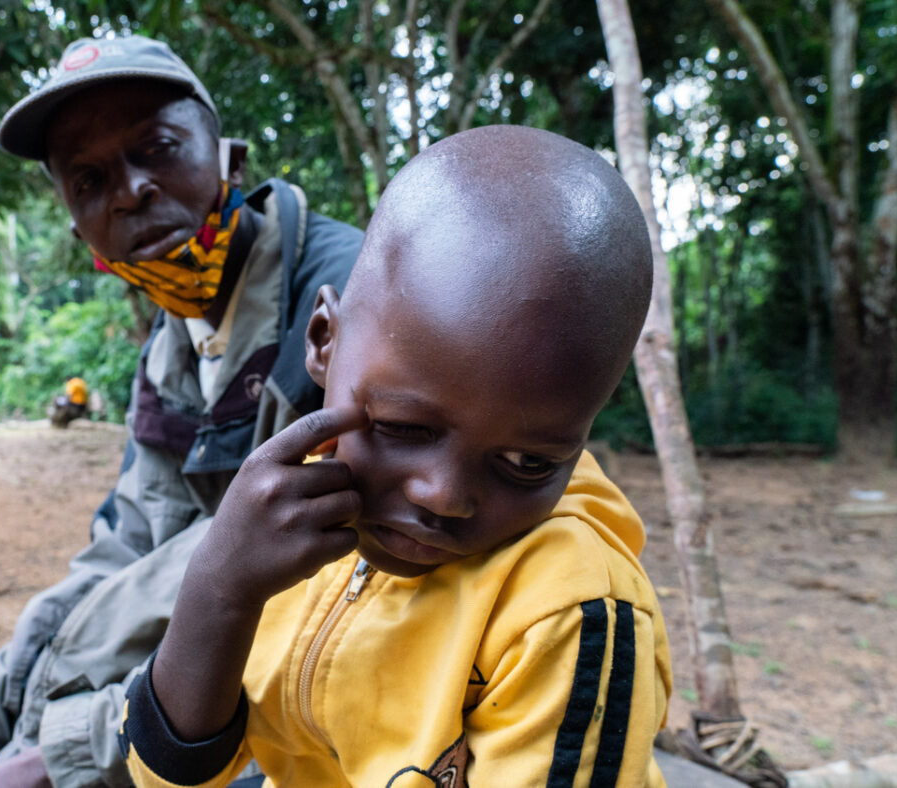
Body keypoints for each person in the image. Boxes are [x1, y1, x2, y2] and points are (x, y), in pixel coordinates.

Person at [120, 125, 674, 787]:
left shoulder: (566, 611)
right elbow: (169, 778)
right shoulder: (293, 524)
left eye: (528, 463)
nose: (444, 495)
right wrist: (218, 591)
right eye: (404, 427)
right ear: (324, 340)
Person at [0, 35, 363, 788]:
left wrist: (52, 760)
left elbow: (321, 606)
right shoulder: (168, 353)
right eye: (90, 179)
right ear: (80, 229)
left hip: (306, 700)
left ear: (230, 160)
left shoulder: (345, 311)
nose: (131, 190)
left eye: (159, 149)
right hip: (178, 685)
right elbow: (124, 547)